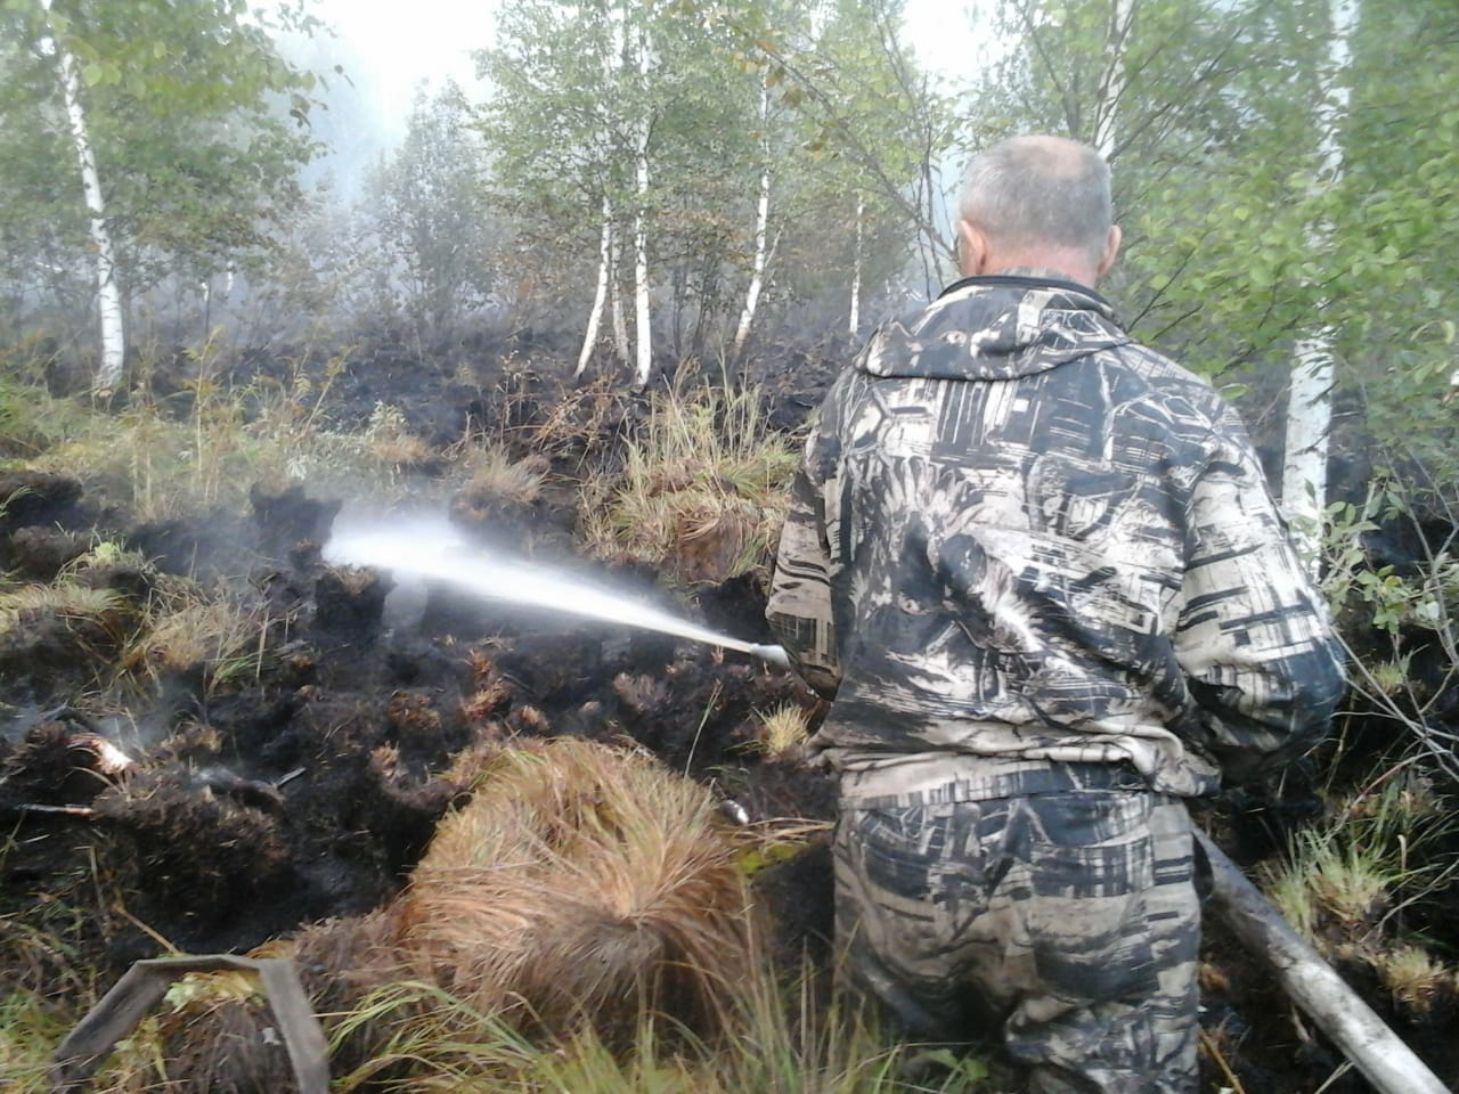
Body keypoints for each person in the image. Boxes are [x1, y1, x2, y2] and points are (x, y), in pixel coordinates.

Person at [766, 135, 1346, 1093]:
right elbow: (1282, 681)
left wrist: (909, 726)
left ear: (967, 240)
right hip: (1104, 857)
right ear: (1108, 247)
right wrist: (1162, 755)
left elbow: (803, 629)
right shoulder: (1177, 405)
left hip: (894, 848)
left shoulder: (858, 398)